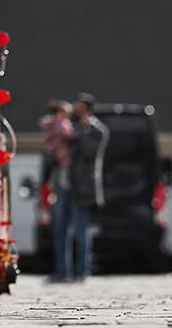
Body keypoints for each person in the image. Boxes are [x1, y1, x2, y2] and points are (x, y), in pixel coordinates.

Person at [64, 92, 109, 281]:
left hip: (83, 188)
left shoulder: (97, 130)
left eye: (81, 108)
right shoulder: (72, 128)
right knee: (63, 230)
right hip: (67, 185)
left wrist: (83, 131)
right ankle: (64, 270)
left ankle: (82, 271)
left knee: (82, 230)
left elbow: (90, 151)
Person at [43, 99, 77, 282]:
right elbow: (72, 137)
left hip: (58, 174)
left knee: (61, 228)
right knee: (65, 226)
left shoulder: (49, 125)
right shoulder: (62, 125)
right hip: (65, 175)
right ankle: (65, 269)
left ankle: (62, 268)